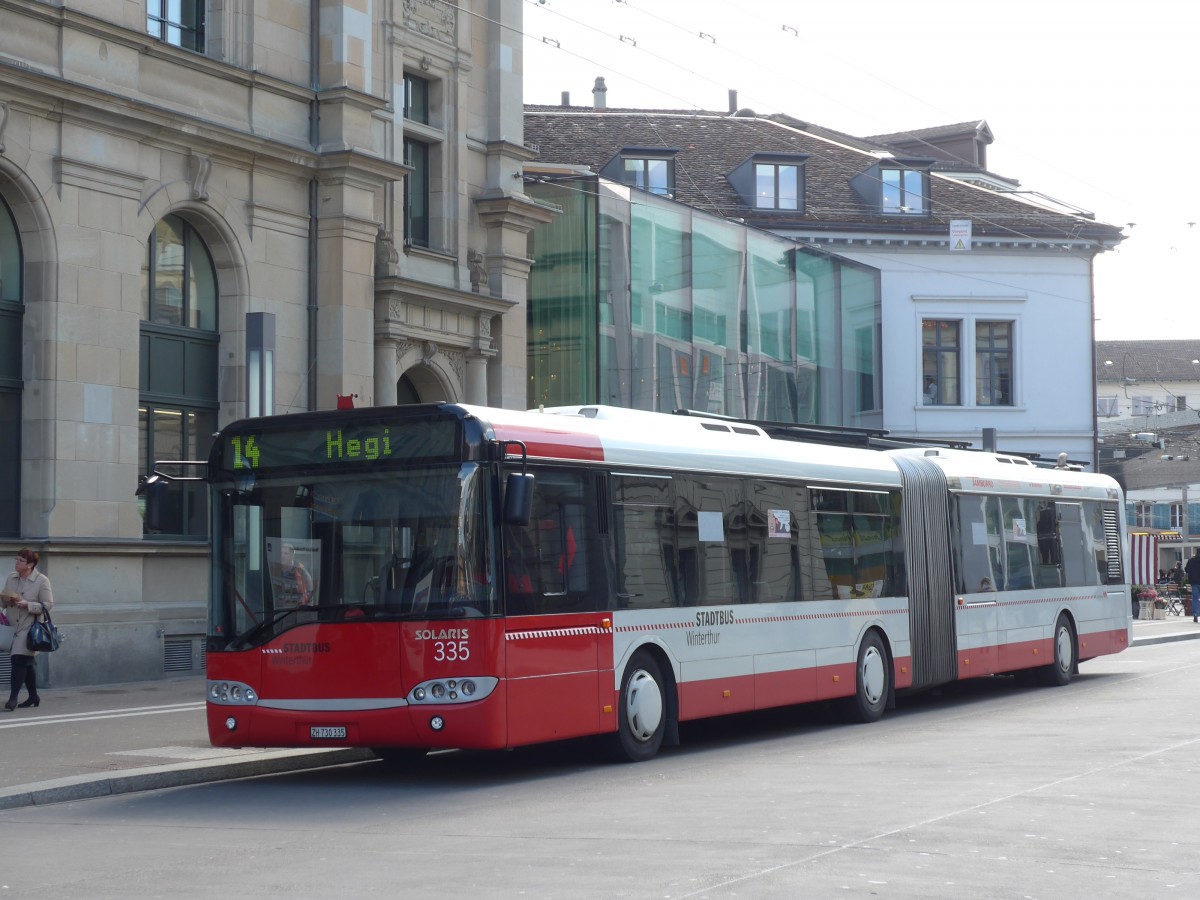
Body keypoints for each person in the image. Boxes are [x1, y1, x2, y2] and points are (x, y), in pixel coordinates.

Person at [1, 548, 54, 711]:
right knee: (27, 662)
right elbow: (4, 600)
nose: (16, 563)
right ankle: (33, 696)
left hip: (29, 627)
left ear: (30, 565)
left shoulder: (41, 580)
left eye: (20, 561)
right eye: (16, 559)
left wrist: (28, 604)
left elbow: (48, 605)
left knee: (17, 660)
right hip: (12, 626)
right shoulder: (11, 577)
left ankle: (13, 699)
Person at [278, 542, 313, 607]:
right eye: (281, 553)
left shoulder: (302, 571)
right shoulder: (275, 569)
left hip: (297, 609)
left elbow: (310, 590)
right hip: (280, 608)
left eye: (285, 553)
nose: (282, 556)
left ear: (292, 556)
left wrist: (301, 603)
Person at [1185, 548, 1200, 623]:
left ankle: (1195, 615)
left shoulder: (1191, 560)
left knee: (1195, 598)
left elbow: (1186, 569)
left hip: (1194, 582)